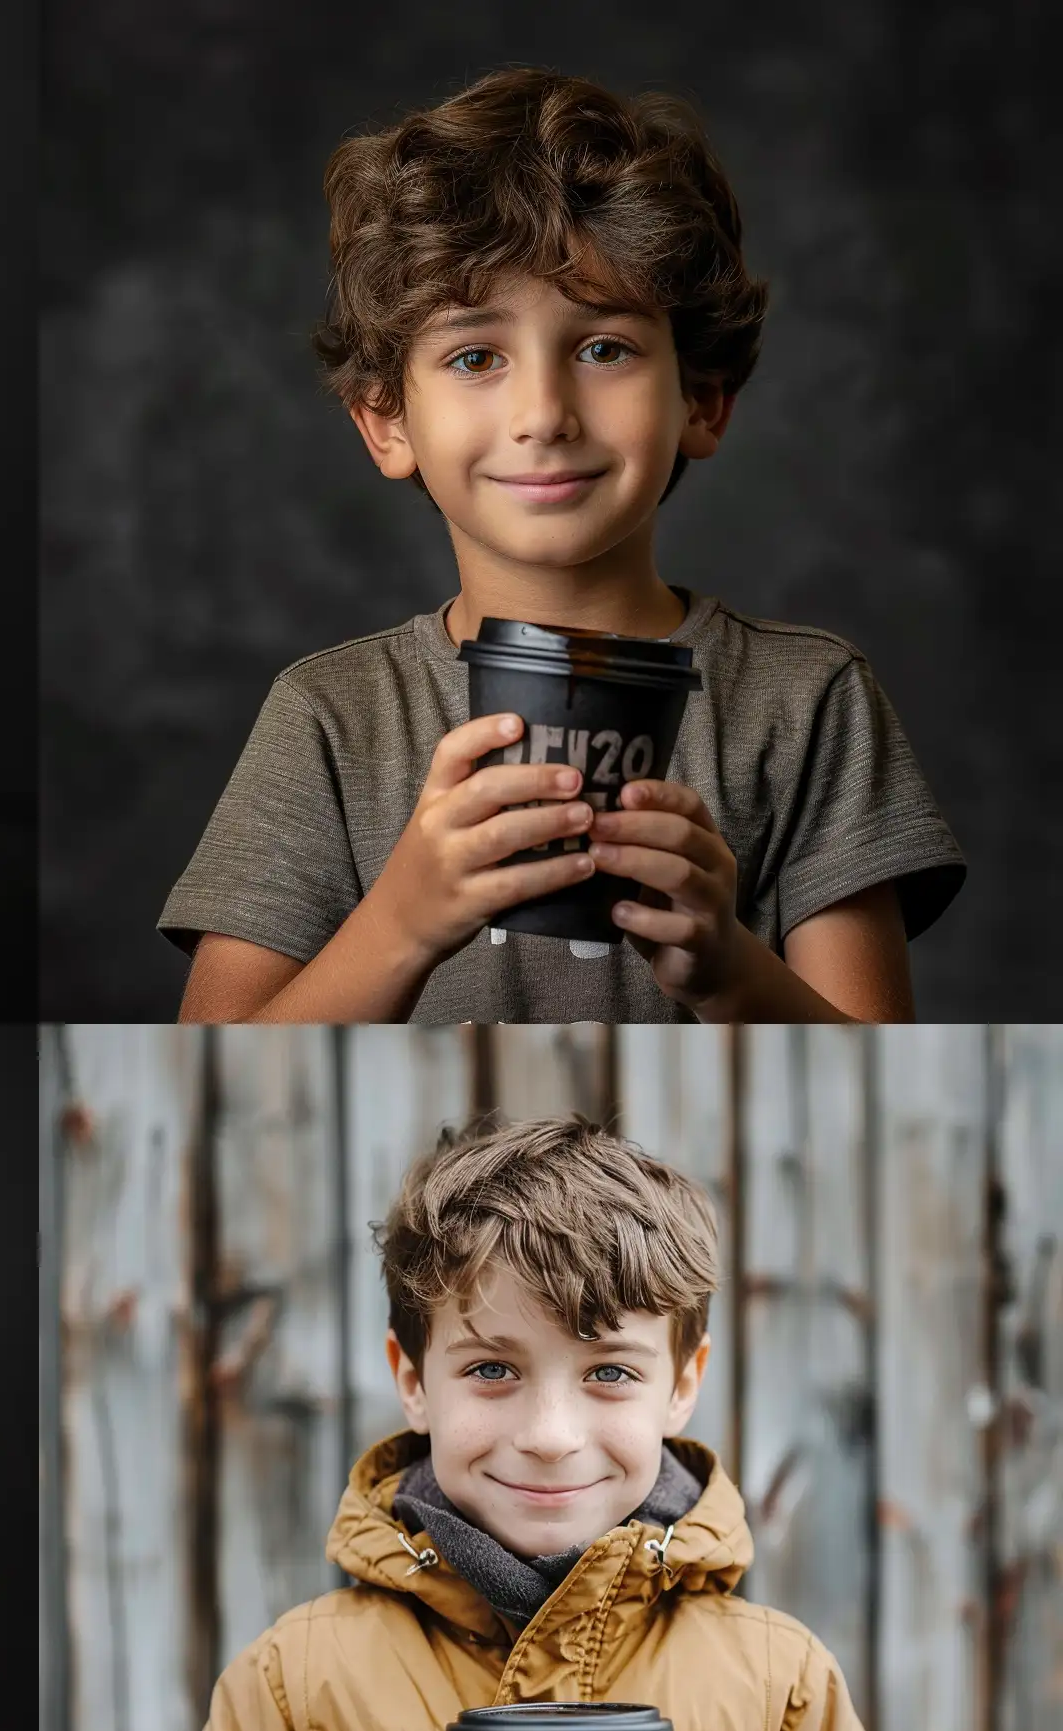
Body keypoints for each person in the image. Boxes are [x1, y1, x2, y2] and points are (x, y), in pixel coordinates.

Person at [125, 1116, 955, 1731]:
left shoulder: (780, 1684)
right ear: (413, 1378)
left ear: (683, 1381)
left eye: (608, 1371)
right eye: (492, 1369)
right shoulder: (293, 1676)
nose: (551, 1433)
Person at [161, 67, 962, 1024]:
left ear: (700, 400)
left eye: (604, 348)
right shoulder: (332, 720)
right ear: (386, 421)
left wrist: (727, 967)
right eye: (475, 356)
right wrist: (402, 922)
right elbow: (215, 1072)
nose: (544, 414)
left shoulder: (807, 704)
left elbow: (887, 1096)